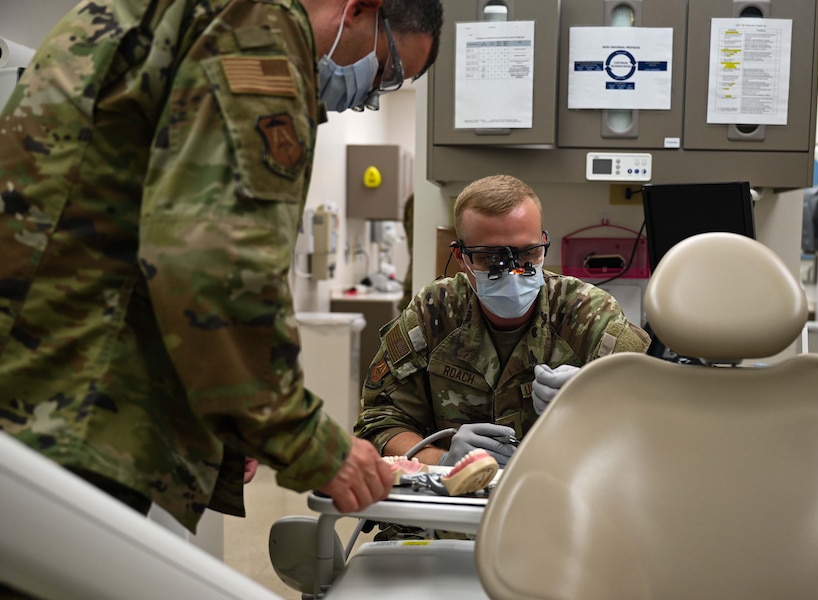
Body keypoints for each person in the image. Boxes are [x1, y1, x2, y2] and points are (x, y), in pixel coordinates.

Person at [0, 0, 443, 548]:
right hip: (78, 408)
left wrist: (236, 421)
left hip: (41, 383)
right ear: (360, 9)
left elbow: (138, 229)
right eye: (387, 70)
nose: (371, 93)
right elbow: (215, 264)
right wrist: (306, 439)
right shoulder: (259, 26)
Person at [355, 174, 651, 467]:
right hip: (453, 500)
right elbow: (379, 419)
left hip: (558, 497)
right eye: (491, 258)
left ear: (543, 243)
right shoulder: (434, 313)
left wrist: (594, 398)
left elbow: (651, 417)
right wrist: (442, 460)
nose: (513, 272)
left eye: (528, 254)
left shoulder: (587, 314)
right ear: (461, 256)